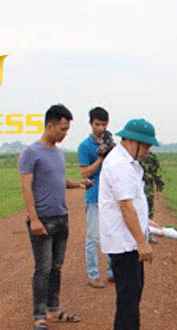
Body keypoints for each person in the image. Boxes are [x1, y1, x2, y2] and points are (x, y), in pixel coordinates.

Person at [19, 104, 92, 330]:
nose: (64, 133)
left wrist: (79, 184)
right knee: (43, 269)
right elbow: (26, 187)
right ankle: (39, 317)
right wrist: (34, 219)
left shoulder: (58, 153)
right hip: (43, 220)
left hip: (62, 217)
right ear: (49, 126)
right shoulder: (31, 152)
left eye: (67, 129)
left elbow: (59, 180)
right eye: (62, 129)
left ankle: (53, 309)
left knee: (56, 267)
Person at [98, 118, 160, 330]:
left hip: (126, 236)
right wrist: (142, 242)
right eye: (145, 146)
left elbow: (133, 202)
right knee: (130, 290)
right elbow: (125, 206)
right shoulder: (120, 165)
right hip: (125, 241)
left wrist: (147, 222)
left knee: (130, 289)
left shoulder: (127, 162)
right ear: (132, 141)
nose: (147, 151)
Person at [78, 106, 114, 288]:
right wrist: (100, 158)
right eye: (97, 124)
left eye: (104, 124)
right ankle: (93, 274)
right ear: (91, 123)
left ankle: (111, 271)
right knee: (93, 237)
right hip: (94, 196)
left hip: (111, 195)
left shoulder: (111, 143)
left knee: (111, 233)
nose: (101, 128)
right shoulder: (85, 146)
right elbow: (85, 172)